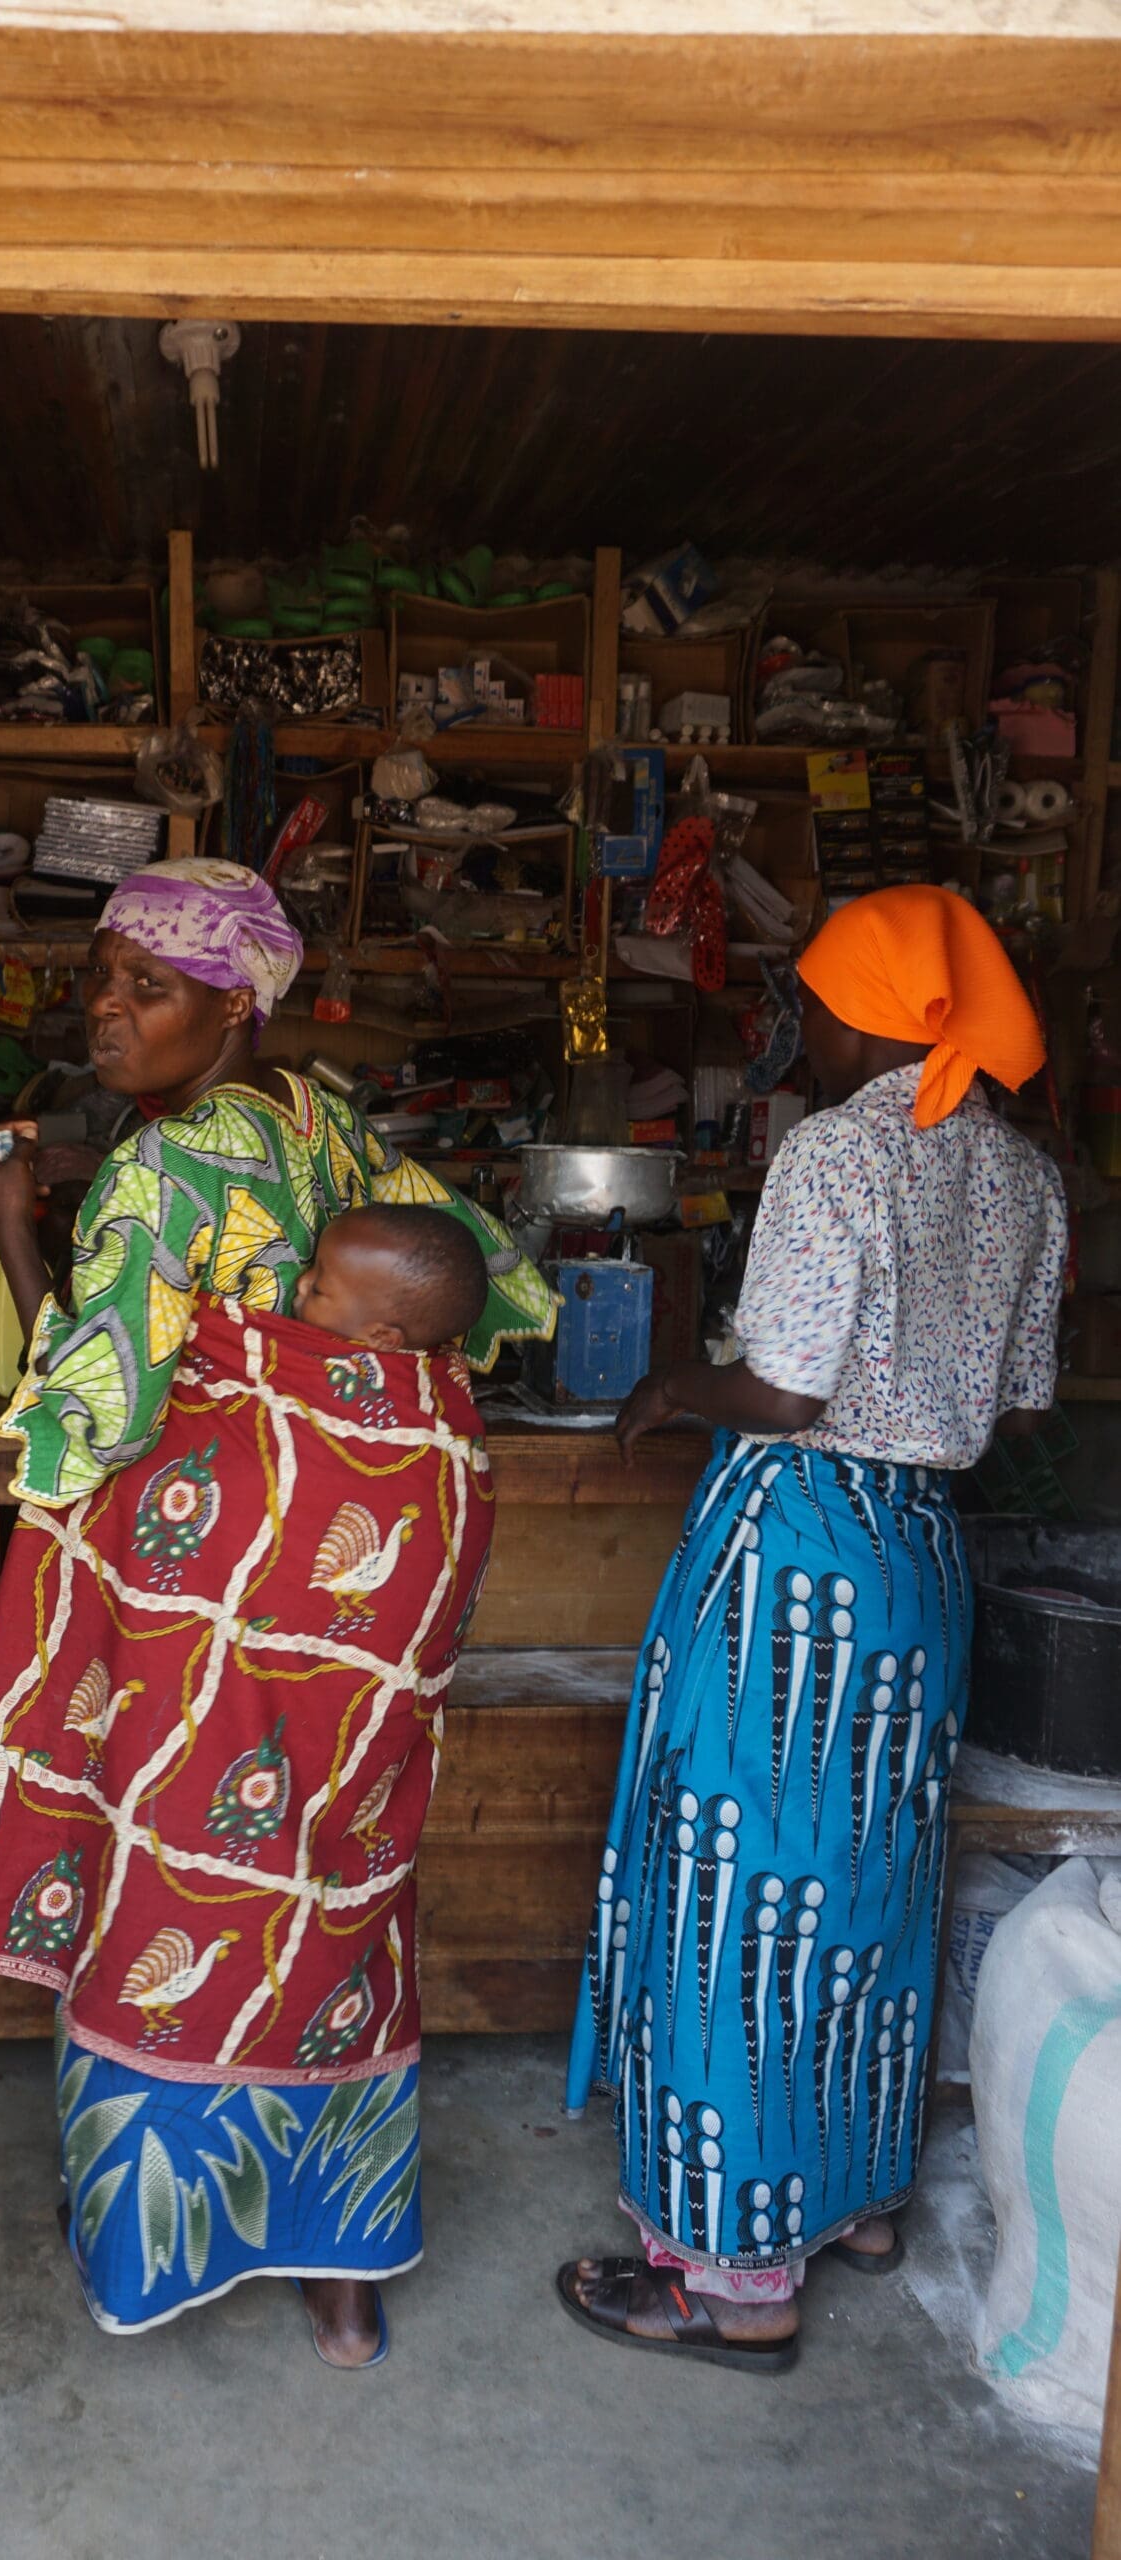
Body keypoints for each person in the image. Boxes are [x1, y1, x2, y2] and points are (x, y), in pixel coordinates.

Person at [0, 858, 555, 2366]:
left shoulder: (153, 1173)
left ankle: (153, 2245)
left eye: (146, 986)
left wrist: (11, 1216)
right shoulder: (324, 1110)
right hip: (372, 1590)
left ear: (232, 1002)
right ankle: (343, 2280)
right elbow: (484, 1288)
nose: (102, 1013)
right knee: (338, 1872)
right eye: (99, 978)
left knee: (182, 1881)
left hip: (220, 1591)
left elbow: (90, 1409)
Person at [561, 883, 1066, 2375]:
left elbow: (781, 1390)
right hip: (919, 1565)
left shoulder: (836, 1152)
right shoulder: (1021, 1172)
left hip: (804, 1557)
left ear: (878, 1018)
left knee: (745, 1894)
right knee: (869, 1883)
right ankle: (854, 2202)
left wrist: (668, 1392)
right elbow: (1024, 1402)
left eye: (818, 1004)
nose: (801, 1030)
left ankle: (732, 2276)